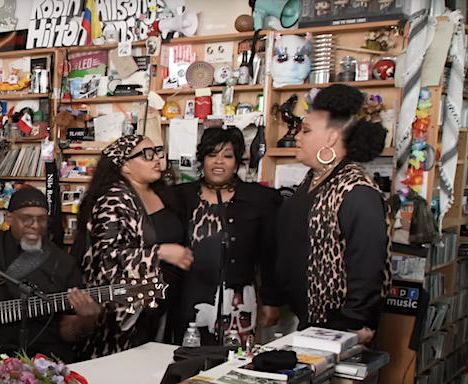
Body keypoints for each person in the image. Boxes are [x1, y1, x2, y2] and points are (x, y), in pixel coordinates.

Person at [266, 84, 390, 344]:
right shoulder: (313, 180)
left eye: (306, 131)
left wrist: (354, 323)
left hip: (340, 329)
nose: (297, 137)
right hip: (307, 322)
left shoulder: (357, 190)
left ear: (332, 137)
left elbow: (368, 262)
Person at [0, 187, 101, 372]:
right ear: (9, 218)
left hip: (41, 355)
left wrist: (85, 322)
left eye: (42, 219)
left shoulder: (64, 264)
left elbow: (67, 331)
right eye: (26, 218)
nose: (35, 225)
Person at [74, 134, 192, 358]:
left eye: (157, 152)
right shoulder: (112, 199)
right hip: (126, 311)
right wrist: (161, 253)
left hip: (163, 302)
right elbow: (107, 255)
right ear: (125, 165)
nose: (156, 159)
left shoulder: (161, 193)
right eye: (146, 155)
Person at [171, 127, 282, 345]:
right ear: (202, 159)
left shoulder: (260, 200)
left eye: (227, 156)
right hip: (190, 297)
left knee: (235, 363)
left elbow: (270, 255)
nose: (219, 162)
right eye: (212, 155)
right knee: (189, 360)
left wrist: (271, 301)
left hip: (239, 299)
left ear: (237, 161)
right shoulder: (179, 197)